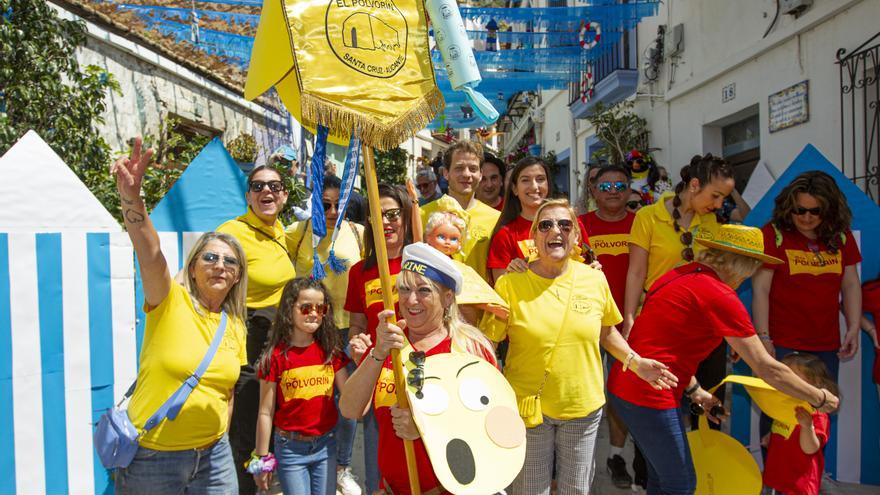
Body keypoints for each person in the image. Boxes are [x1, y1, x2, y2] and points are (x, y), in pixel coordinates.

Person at [607, 224, 840, 495]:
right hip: (648, 396)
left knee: (662, 479)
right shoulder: (719, 294)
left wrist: (695, 391)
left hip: (627, 389)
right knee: (679, 484)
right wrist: (819, 397)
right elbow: (767, 368)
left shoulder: (677, 275)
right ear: (743, 266)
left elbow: (665, 346)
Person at [481, 199, 676, 495]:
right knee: (530, 491)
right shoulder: (511, 284)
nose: (555, 230)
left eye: (564, 225)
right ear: (534, 238)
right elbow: (488, 344)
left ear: (576, 238)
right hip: (528, 408)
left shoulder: (595, 279)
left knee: (576, 491)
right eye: (545, 225)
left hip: (582, 407)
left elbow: (607, 333)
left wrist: (637, 363)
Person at [111, 138, 247, 494]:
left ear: (237, 276)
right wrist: (132, 198)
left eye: (230, 261)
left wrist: (219, 437)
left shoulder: (235, 325)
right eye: (210, 257)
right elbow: (150, 251)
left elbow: (227, 391)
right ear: (194, 266)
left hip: (214, 457)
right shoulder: (169, 301)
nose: (220, 265)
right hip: (154, 459)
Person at [339, 242, 497, 495]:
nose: (411, 300)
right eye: (404, 289)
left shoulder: (470, 349)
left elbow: (492, 429)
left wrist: (425, 431)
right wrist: (377, 352)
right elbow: (349, 409)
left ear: (447, 298)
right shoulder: (389, 344)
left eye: (424, 290)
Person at [217, 164, 297, 494]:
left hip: (279, 337)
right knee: (247, 425)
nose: (267, 192)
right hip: (247, 339)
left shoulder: (282, 232)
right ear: (248, 195)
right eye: (258, 186)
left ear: (285, 195)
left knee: (271, 418)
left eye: (275, 186)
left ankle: (264, 481)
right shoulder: (232, 231)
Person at [287, 175, 365, 495]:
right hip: (311, 330)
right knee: (314, 400)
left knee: (346, 404)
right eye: (325, 204)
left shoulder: (359, 234)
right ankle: (310, 464)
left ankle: (342, 467)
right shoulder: (299, 232)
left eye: (339, 204)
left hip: (348, 329)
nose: (332, 211)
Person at [751, 171, 862, 381]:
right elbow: (760, 289)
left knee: (823, 408)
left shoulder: (841, 237)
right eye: (799, 210)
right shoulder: (773, 234)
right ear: (788, 207)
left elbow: (851, 285)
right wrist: (763, 338)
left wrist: (854, 327)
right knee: (781, 409)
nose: (806, 217)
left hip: (826, 344)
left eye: (815, 211)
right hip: (783, 342)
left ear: (828, 210)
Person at [344, 184, 413, 493]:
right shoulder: (360, 272)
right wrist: (357, 342)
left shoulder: (424, 261)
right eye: (377, 216)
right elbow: (357, 325)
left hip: (425, 377)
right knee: (380, 468)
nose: (386, 222)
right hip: (381, 381)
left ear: (407, 217)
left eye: (393, 214)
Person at [252, 278, 349, 495]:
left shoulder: (331, 352)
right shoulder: (274, 357)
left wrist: (365, 360)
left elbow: (351, 398)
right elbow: (265, 412)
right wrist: (261, 459)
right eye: (306, 308)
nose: (314, 313)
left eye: (320, 308)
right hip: (290, 450)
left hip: (326, 446)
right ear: (289, 309)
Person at [576, 165, 639, 489]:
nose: (613, 190)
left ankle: (617, 455)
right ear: (594, 190)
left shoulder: (640, 225)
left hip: (625, 325)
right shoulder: (579, 225)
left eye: (620, 184)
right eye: (606, 185)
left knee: (620, 394)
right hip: (582, 323)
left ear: (629, 190)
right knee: (585, 395)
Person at [421, 141, 500, 281]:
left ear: (480, 174)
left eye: (473, 168)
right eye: (459, 168)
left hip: (480, 300)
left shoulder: (496, 219)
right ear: (446, 173)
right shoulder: (423, 214)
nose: (466, 174)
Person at [762, 353, 839, 495]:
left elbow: (811, 449)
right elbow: (783, 428)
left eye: (792, 379)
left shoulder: (818, 414)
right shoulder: (784, 405)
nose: (785, 383)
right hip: (777, 476)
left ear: (814, 384)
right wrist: (771, 436)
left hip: (800, 482)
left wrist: (807, 426)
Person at [487, 156, 552, 282]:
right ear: (515, 189)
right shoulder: (504, 235)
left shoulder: (568, 225)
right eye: (525, 180)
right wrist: (512, 271)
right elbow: (501, 287)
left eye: (540, 179)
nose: (534, 186)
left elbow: (587, 264)